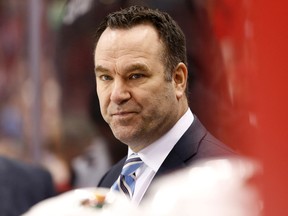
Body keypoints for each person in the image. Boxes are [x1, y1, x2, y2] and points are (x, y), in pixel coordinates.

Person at [94, 5, 237, 205]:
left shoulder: (223, 183)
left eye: (135, 75)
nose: (117, 94)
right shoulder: (109, 182)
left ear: (178, 79)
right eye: (106, 77)